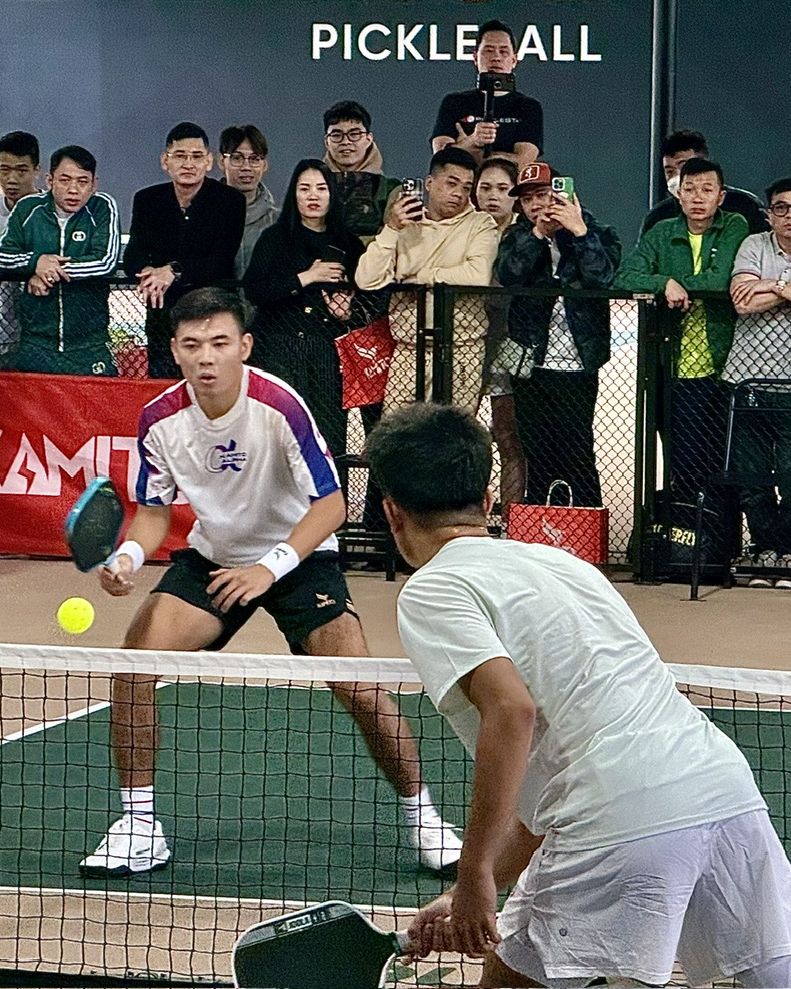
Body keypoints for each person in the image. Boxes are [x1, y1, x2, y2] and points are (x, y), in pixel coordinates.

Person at [368, 402, 791, 988]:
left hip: (617, 820)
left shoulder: (432, 589)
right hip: (724, 794)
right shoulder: (565, 566)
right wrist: (469, 886)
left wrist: (473, 876)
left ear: (392, 513)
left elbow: (512, 711)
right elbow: (557, 785)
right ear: (488, 503)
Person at [78, 287, 462, 878]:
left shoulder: (279, 405)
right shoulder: (158, 418)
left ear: (244, 346)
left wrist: (269, 568)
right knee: (133, 669)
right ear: (175, 352)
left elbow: (331, 505)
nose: (207, 357)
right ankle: (139, 825)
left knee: (359, 687)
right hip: (215, 560)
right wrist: (129, 555)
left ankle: (424, 819)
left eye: (220, 343)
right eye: (192, 345)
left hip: (299, 558)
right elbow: (155, 511)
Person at [615, 157, 748, 557]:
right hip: (670, 367)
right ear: (677, 192)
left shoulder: (735, 226)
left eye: (707, 189)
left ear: (721, 196)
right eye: (689, 189)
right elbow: (625, 276)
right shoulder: (661, 232)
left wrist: (679, 287)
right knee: (681, 457)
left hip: (724, 366)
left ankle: (721, 544)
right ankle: (687, 542)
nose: (698, 197)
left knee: (723, 459)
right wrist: (664, 282)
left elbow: (720, 279)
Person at [495, 162, 622, 509]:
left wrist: (579, 232)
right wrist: (538, 235)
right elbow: (508, 274)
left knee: (577, 449)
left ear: (563, 194)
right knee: (536, 450)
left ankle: (587, 537)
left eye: (543, 195)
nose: (536, 205)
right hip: (528, 362)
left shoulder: (597, 231)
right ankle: (539, 535)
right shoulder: (519, 235)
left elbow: (603, 277)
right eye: (528, 199)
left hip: (578, 363)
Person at [244, 158, 382, 459]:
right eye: (304, 188)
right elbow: (255, 290)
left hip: (327, 354)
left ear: (332, 194)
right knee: (278, 440)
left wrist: (348, 312)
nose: (313, 196)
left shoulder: (348, 243)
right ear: (293, 194)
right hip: (278, 350)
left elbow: (369, 301)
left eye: (321, 188)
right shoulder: (275, 238)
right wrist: (307, 277)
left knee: (327, 440)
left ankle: (330, 504)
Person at [355, 147, 499, 412]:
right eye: (451, 183)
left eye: (467, 188)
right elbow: (366, 279)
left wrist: (420, 277)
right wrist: (392, 229)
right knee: (398, 433)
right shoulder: (404, 223)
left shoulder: (481, 224)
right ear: (430, 183)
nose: (459, 193)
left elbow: (477, 274)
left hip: (462, 349)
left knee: (453, 437)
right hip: (409, 348)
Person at [123, 122, 246, 379]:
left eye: (196, 156)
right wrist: (149, 273)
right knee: (165, 394)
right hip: (162, 317)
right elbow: (132, 255)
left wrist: (172, 270)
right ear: (164, 161)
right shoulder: (147, 200)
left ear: (209, 162)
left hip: (212, 317)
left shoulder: (230, 201)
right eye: (180, 155)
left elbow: (221, 261)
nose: (188, 163)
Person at [0, 145, 119, 375]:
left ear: (94, 184)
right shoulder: (28, 208)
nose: (73, 190)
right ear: (50, 180)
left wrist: (48, 272)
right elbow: (1, 256)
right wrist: (35, 264)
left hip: (89, 343)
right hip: (36, 343)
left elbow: (105, 261)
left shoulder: (102, 207)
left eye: (82, 181)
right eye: (65, 180)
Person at [724, 177, 791, 584]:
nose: (789, 216)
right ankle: (765, 553)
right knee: (751, 476)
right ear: (769, 214)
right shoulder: (754, 245)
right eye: (781, 208)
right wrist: (785, 288)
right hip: (746, 380)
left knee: (790, 475)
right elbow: (741, 300)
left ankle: (788, 552)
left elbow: (753, 294)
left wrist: (765, 288)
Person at [473, 156, 526, 513]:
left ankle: (513, 521)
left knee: (509, 436)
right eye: (485, 188)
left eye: (503, 189)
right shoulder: (464, 226)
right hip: (467, 339)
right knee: (459, 433)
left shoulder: (525, 234)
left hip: (508, 342)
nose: (493, 196)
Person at [431, 20, 543, 168]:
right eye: (488, 51)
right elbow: (440, 156)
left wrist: (467, 151)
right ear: (475, 58)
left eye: (503, 52)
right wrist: (473, 140)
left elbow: (523, 161)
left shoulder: (528, 107)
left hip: (508, 189)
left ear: (514, 60)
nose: (496, 57)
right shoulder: (454, 102)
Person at [0, 131, 42, 361]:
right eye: (5, 170)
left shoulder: (49, 212)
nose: (12, 179)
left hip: (41, 331)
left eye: (21, 170)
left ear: (37, 170)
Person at [641, 130, 769, 238]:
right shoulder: (657, 217)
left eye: (685, 166)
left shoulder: (746, 206)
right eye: (670, 171)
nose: (678, 176)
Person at [321, 100, 399, 244]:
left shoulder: (391, 189)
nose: (346, 142)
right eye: (337, 135)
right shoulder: (311, 187)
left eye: (354, 134)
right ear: (327, 141)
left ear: (369, 139)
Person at [219, 124, 277, 278]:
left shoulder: (279, 222)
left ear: (264, 165)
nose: (246, 167)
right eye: (237, 158)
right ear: (221, 162)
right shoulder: (203, 214)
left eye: (254, 159)